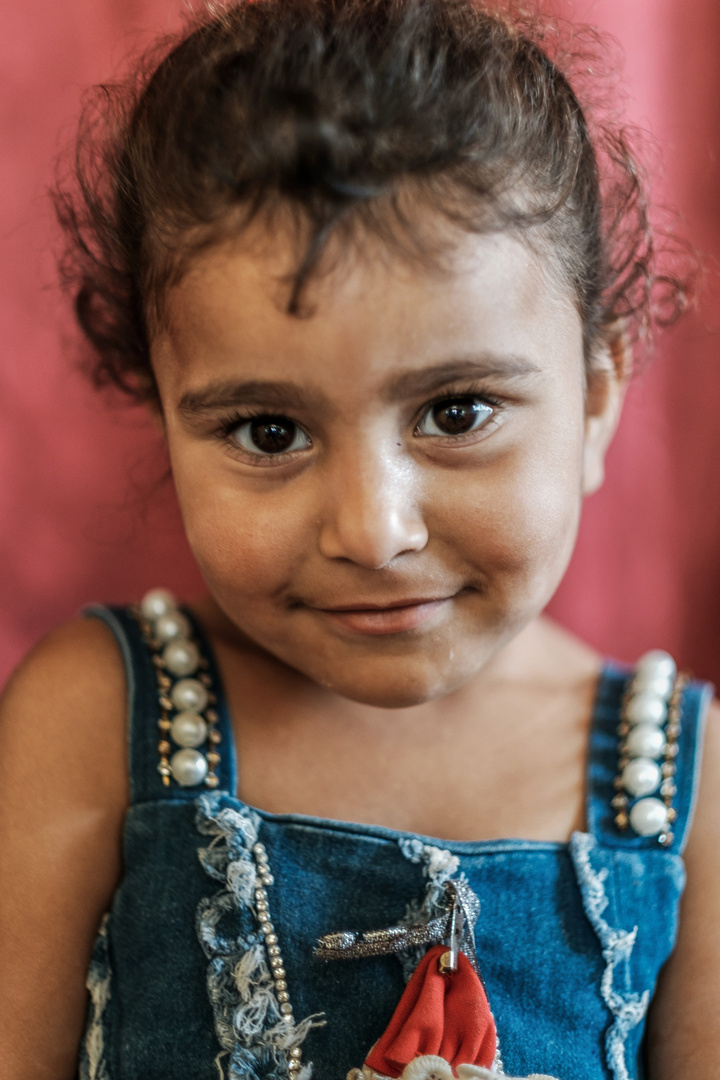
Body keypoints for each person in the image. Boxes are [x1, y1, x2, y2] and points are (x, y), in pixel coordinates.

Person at [1, 0, 718, 1077]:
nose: (373, 530)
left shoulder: (687, 787)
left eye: (459, 412)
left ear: (599, 403)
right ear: (162, 415)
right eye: (270, 431)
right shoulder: (96, 712)